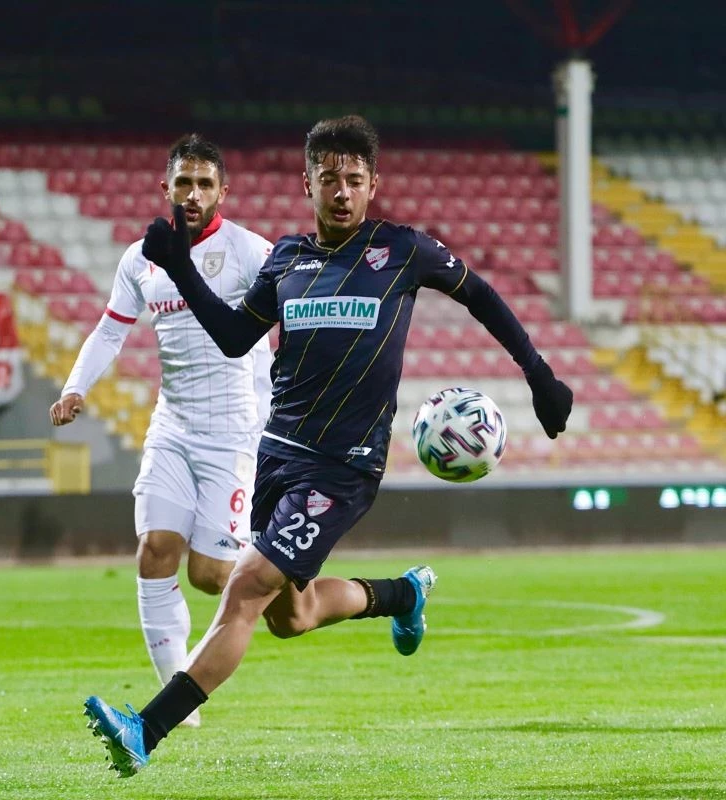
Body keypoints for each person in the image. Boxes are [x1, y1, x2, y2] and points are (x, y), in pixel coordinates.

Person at [82, 115, 573, 777]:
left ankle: (146, 729)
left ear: (373, 185)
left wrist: (538, 374)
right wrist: (180, 268)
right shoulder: (287, 259)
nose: (342, 191)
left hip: (343, 468)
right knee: (293, 614)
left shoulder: (402, 250)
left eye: (355, 179)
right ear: (307, 184)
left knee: (245, 589)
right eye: (329, 178)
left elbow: (479, 295)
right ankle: (401, 595)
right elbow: (234, 337)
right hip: (276, 455)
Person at [50, 133, 273, 727]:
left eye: (204, 184)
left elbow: (285, 329)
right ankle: (180, 709)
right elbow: (110, 329)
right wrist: (75, 387)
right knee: (154, 550)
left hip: (234, 432)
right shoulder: (140, 258)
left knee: (210, 577)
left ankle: (286, 580)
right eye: (184, 183)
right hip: (173, 425)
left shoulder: (251, 251)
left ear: (223, 191)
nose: (193, 194)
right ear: (166, 189)